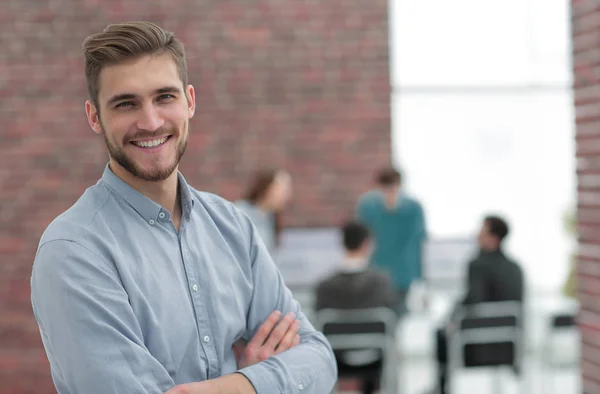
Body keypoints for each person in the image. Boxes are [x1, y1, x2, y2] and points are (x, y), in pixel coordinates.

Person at [30, 21, 336, 394]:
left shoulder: (232, 227)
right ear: (94, 116)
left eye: (165, 97)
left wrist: (235, 387)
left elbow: (319, 359)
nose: (151, 121)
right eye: (126, 103)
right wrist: (264, 381)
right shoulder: (74, 252)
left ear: (189, 101)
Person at [429, 215, 524, 394]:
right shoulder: (516, 268)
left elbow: (472, 302)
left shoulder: (477, 264)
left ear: (493, 238)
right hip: (510, 348)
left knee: (441, 332)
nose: (476, 236)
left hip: (478, 347)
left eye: (481, 232)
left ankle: (441, 388)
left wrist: (451, 317)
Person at [315, 221, 397, 394]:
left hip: (337, 356)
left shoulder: (324, 286)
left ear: (343, 244)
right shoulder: (382, 282)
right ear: (367, 244)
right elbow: (392, 317)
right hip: (375, 355)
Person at [356, 167, 427, 315]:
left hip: (403, 276)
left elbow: (418, 245)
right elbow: (360, 242)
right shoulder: (367, 207)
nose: (389, 194)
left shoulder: (413, 209)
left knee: (400, 315)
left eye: (393, 189)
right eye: (385, 189)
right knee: (377, 317)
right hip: (374, 276)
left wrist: (421, 281)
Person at [235, 169, 292, 255]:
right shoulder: (239, 213)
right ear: (267, 188)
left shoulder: (271, 218)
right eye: (282, 190)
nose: (287, 195)